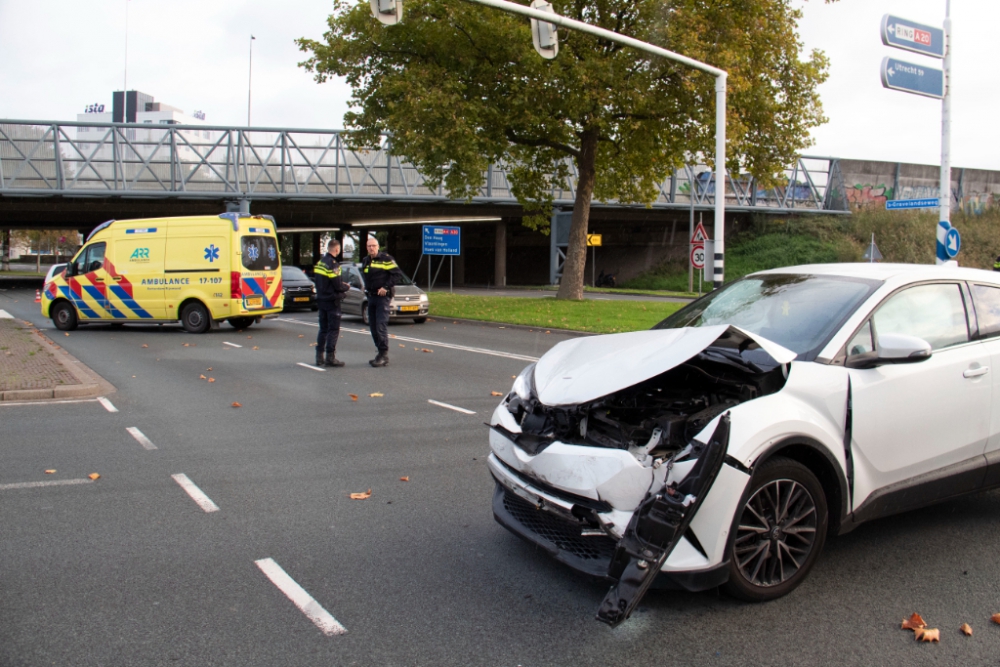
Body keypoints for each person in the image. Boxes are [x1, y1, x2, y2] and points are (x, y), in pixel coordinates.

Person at [360, 236, 403, 367]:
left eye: (373, 246)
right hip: (371, 296)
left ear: (378, 247)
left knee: (380, 326)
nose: (371, 248)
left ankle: (384, 354)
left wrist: (386, 286)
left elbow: (397, 274)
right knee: (372, 327)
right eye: (369, 246)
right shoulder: (366, 260)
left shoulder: (386, 259)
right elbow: (367, 276)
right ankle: (379, 353)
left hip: (382, 297)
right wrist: (365, 287)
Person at [312, 239, 350, 367]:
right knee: (333, 329)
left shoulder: (319, 263)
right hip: (332, 301)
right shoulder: (333, 264)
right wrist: (346, 287)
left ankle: (319, 356)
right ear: (337, 249)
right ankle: (330, 357)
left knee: (323, 329)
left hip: (321, 300)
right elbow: (337, 285)